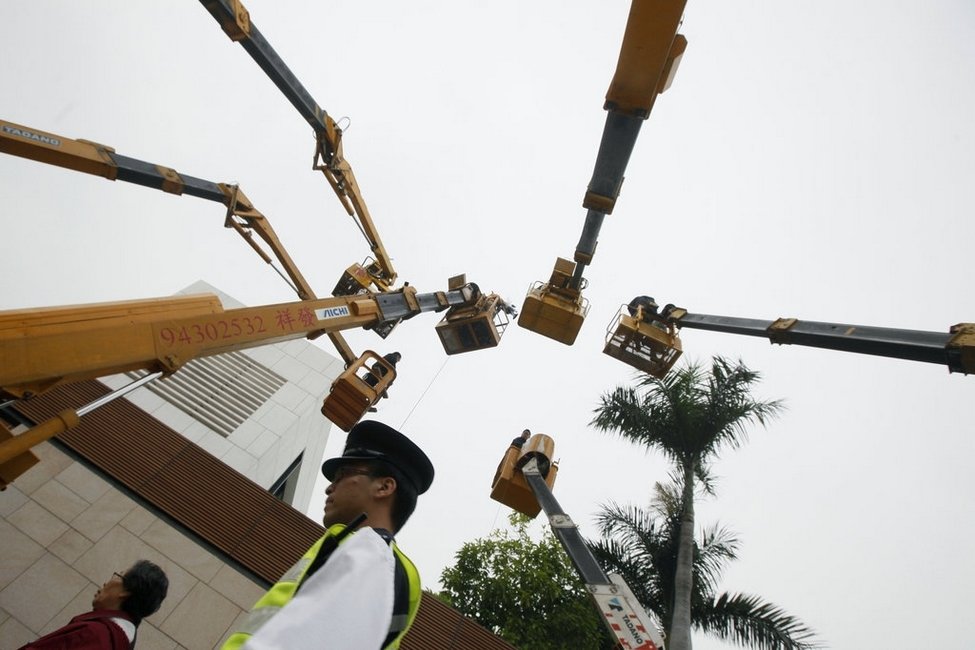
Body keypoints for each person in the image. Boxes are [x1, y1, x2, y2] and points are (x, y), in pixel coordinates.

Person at [223, 420, 434, 650]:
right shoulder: (372, 556)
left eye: (343, 474)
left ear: (384, 487)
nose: (330, 487)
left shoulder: (371, 554)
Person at [19, 560, 169, 650]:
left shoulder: (96, 635)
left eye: (118, 576)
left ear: (126, 592)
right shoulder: (120, 641)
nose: (107, 582)